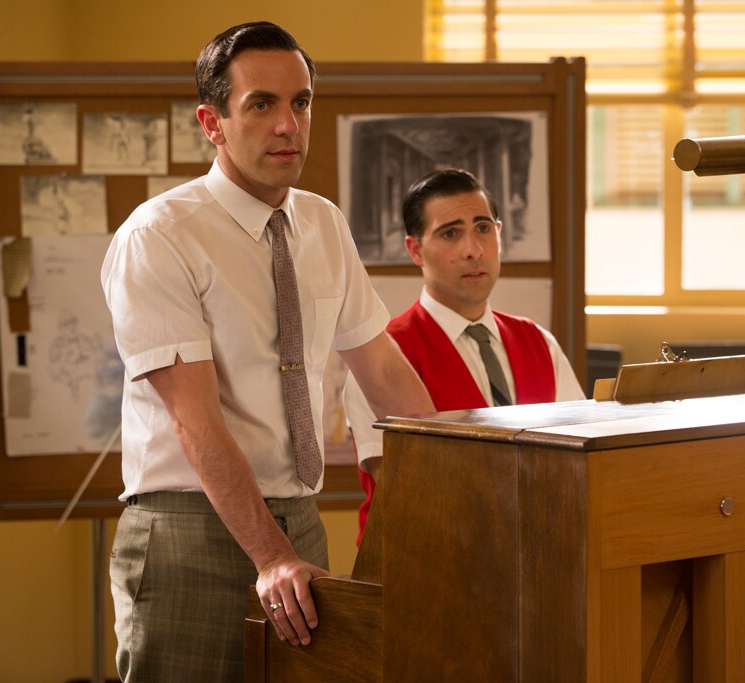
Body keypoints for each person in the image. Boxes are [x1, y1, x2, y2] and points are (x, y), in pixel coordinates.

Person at [101, 22, 433, 681]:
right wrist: (271, 555)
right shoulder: (161, 234)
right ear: (212, 121)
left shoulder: (322, 223)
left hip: (298, 519)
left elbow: (385, 371)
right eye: (261, 104)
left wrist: (465, 481)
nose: (289, 125)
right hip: (186, 531)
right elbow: (193, 420)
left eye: (301, 102)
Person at [343, 168, 586, 543]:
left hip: (538, 554)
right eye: (450, 233)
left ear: (499, 235)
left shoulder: (539, 342)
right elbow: (407, 489)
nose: (473, 249)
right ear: (415, 250)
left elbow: (581, 460)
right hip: (423, 565)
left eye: (483, 228)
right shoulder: (382, 354)